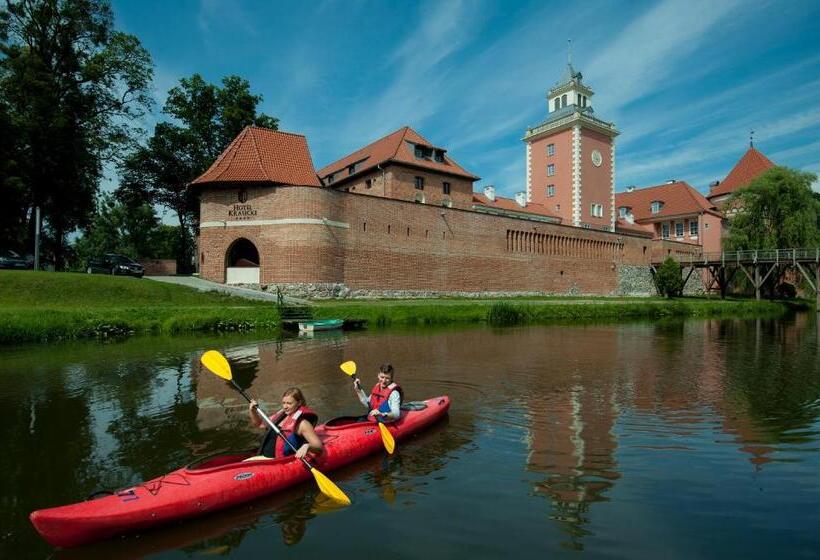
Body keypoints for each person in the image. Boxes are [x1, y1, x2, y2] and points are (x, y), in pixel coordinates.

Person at [248, 387, 323, 460]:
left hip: (277, 462)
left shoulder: (302, 423)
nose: (285, 406)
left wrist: (307, 446)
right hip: (263, 457)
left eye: (289, 403)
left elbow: (318, 446)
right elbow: (259, 424)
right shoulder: (281, 415)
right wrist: (252, 411)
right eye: (284, 403)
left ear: (299, 403)